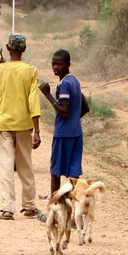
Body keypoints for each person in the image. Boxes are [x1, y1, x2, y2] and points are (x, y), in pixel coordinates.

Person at [0, 33, 42, 220]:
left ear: (8, 48)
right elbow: (34, 101)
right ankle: (30, 205)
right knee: (25, 164)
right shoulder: (31, 71)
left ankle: (8, 208)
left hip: (4, 124)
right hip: (24, 124)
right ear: (23, 49)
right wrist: (37, 130)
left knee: (6, 165)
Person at [38, 49, 89, 218]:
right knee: (74, 176)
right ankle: (73, 214)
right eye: (53, 63)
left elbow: (64, 111)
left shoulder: (64, 84)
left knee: (55, 172)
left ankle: (54, 211)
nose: (55, 67)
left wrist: (47, 95)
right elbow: (85, 107)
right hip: (76, 133)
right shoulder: (75, 81)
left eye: (59, 64)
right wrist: (74, 119)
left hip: (63, 134)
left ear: (67, 65)